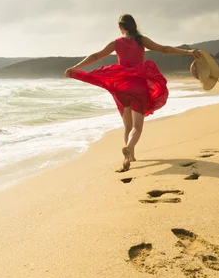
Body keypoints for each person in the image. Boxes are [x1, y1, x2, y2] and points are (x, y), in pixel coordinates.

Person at [65, 14, 200, 172]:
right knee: (137, 127)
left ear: (120, 27)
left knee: (127, 126)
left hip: (121, 87)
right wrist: (188, 51)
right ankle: (129, 148)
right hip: (138, 88)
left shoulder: (116, 43)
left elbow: (95, 56)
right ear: (134, 26)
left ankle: (129, 158)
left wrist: (75, 67)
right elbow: (164, 49)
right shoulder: (141, 40)